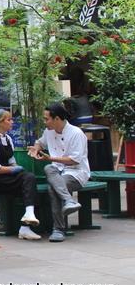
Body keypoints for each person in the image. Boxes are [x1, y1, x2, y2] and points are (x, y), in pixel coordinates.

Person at [28, 102, 90, 243]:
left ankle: (58, 229)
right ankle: (68, 200)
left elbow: (75, 160)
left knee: (53, 188)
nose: (45, 122)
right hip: (56, 171)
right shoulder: (48, 132)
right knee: (49, 168)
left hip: (76, 173)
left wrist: (51, 158)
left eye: (46, 119)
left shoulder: (76, 133)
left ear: (57, 119)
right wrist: (36, 148)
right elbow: (40, 142)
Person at [0, 109, 41, 240]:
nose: (11, 122)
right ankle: (26, 222)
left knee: (29, 183)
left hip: (5, 177)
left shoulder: (7, 139)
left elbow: (11, 161)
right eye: (9, 120)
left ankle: (26, 223)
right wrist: (13, 170)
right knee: (29, 179)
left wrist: (15, 168)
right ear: (0, 123)